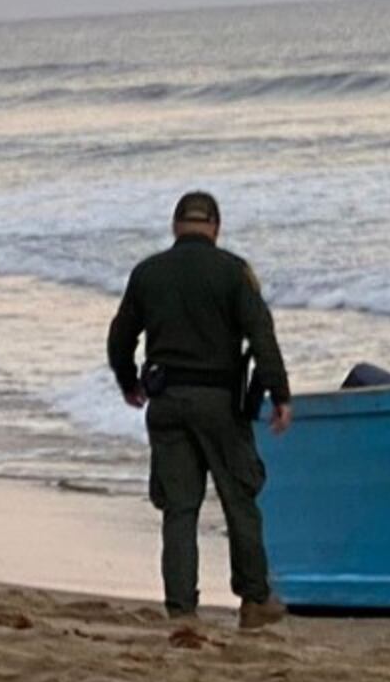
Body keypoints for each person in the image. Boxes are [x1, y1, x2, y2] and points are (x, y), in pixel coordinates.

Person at [107, 190, 294, 629]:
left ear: (176, 226)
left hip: (166, 402)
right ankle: (253, 600)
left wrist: (128, 382)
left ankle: (181, 609)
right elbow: (261, 337)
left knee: (179, 507)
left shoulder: (147, 273)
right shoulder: (233, 272)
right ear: (215, 226)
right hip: (220, 404)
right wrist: (280, 395)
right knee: (239, 501)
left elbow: (120, 338)